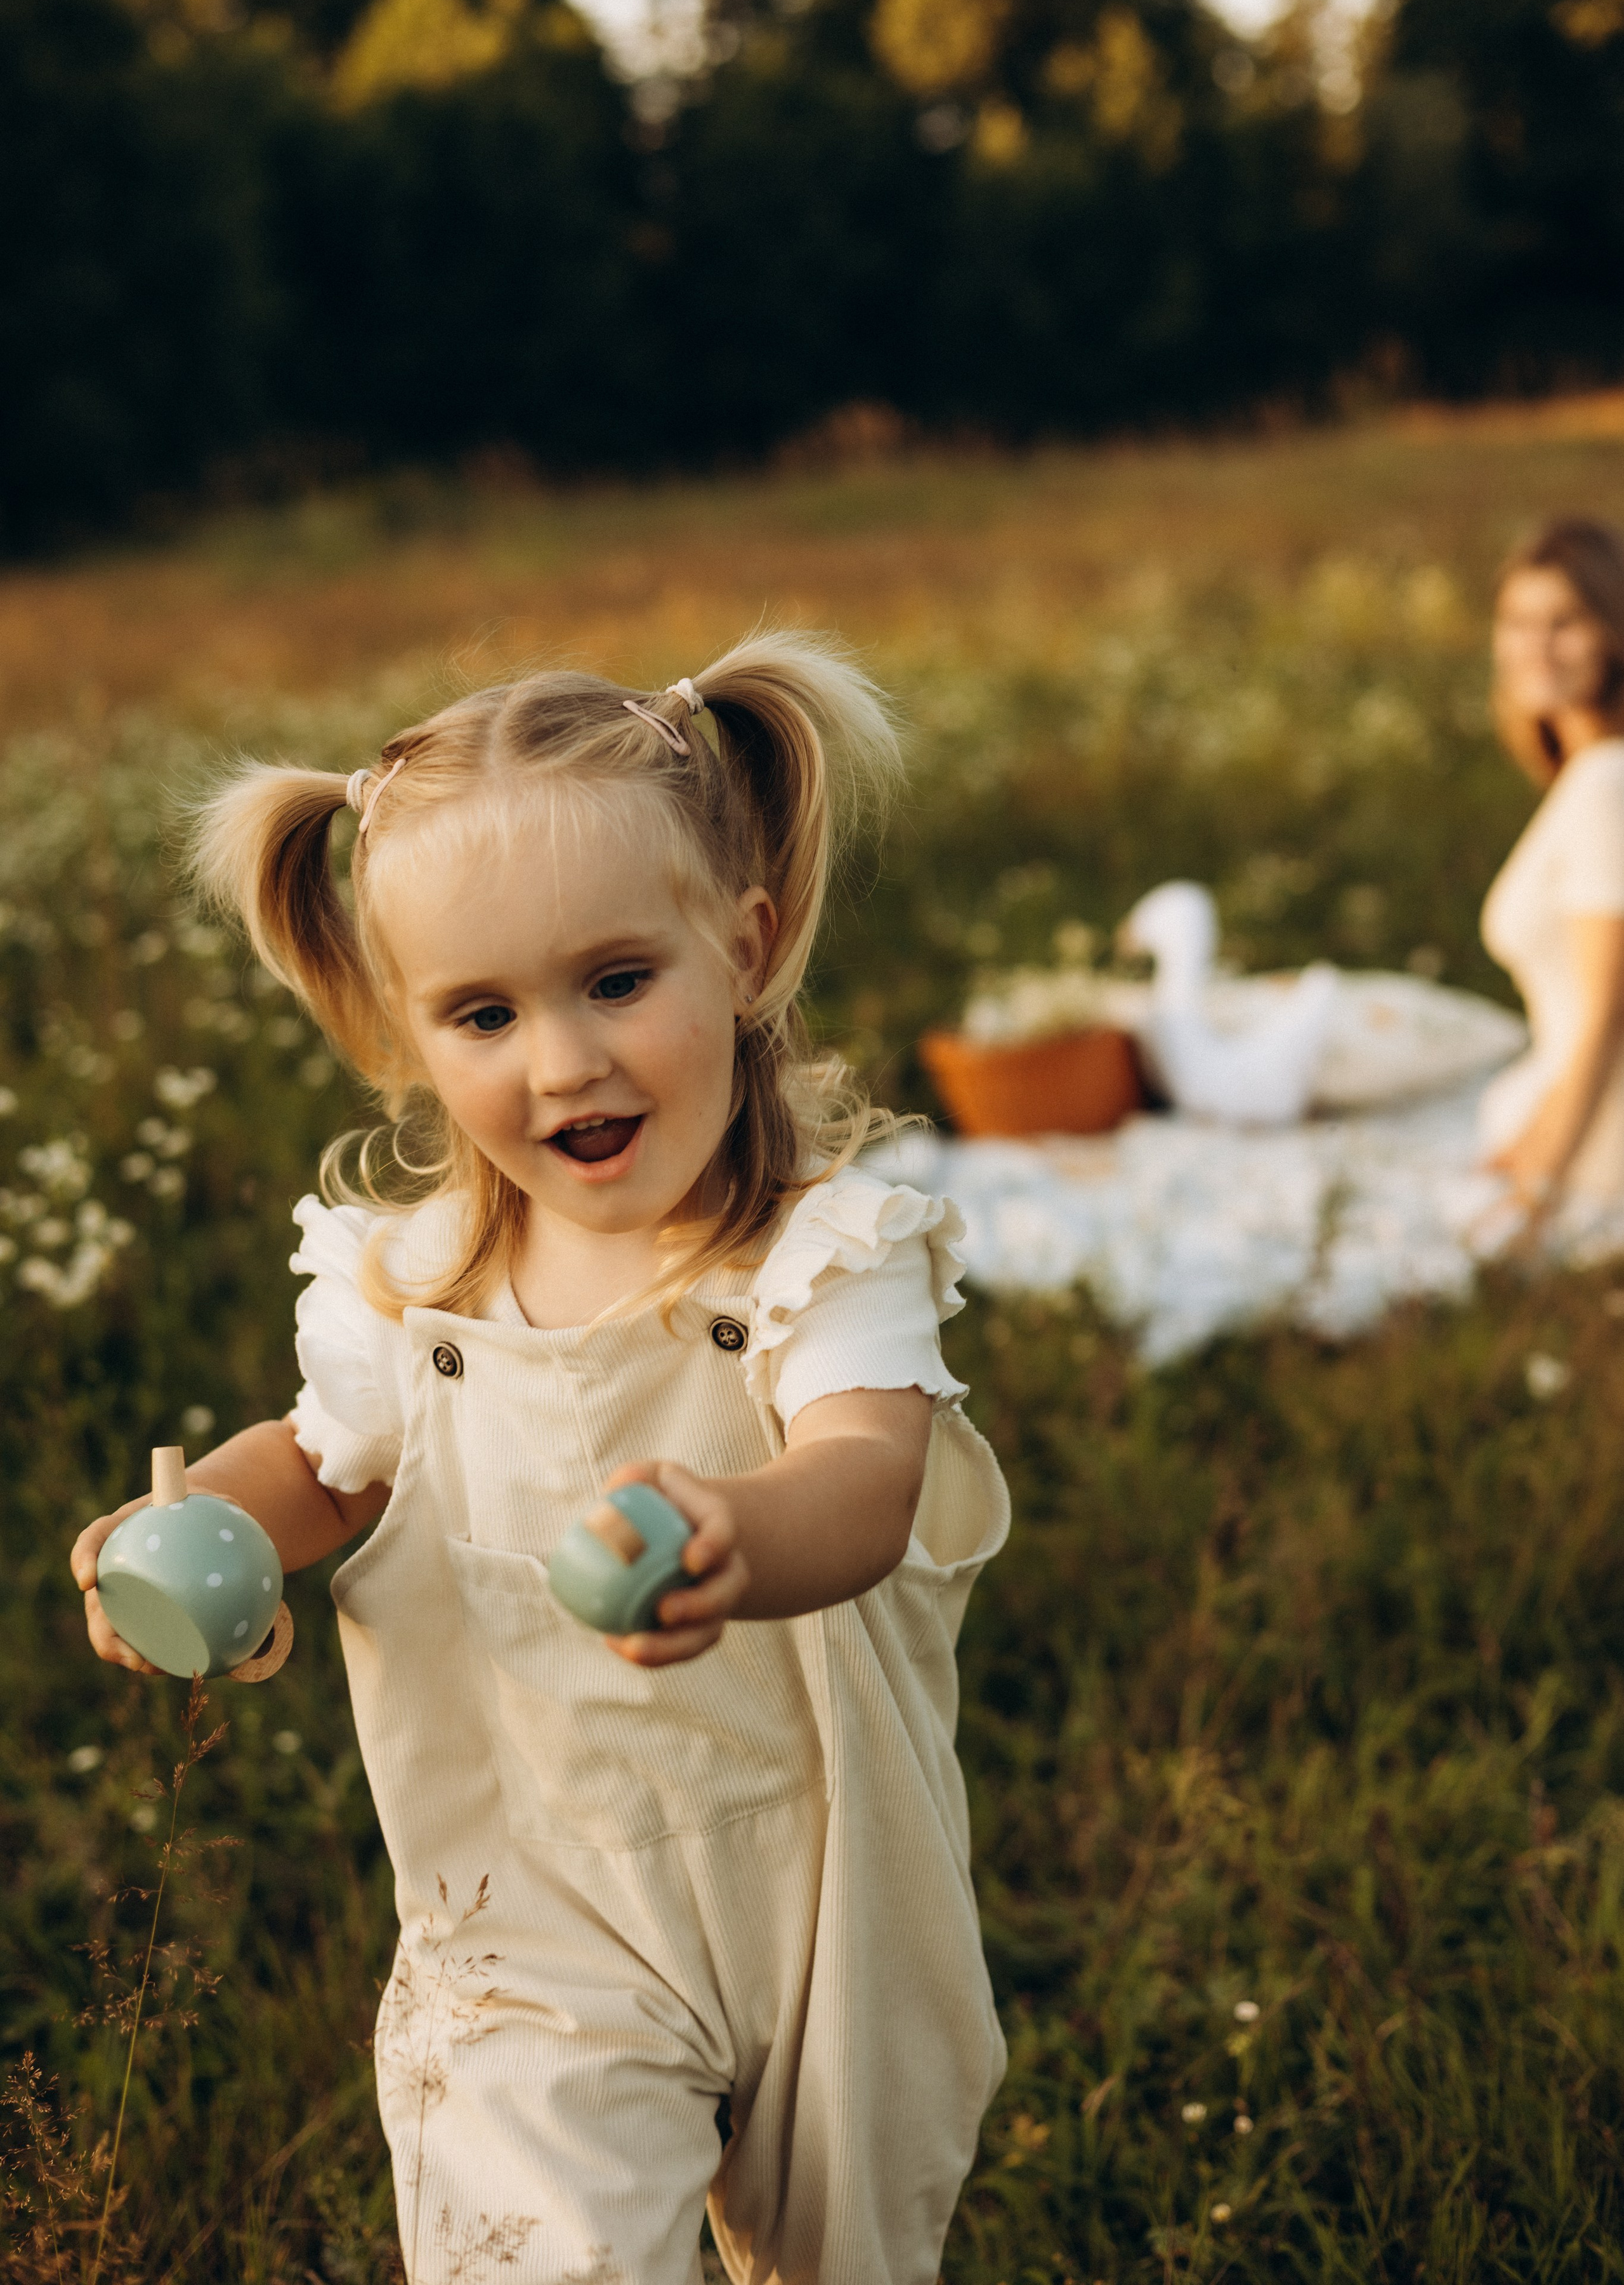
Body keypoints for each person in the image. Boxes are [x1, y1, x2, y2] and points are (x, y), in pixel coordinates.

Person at [70, 639, 1009, 2285]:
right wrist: (202, 1514)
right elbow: (329, 1464)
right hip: (533, 1908)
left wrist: (736, 1525)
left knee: (845, 2252)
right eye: (485, 1014)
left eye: (617, 982)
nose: (561, 1061)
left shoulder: (821, 1258)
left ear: (746, 943)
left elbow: (865, 1476)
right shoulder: (405, 1286)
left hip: (826, 1903)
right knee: (552, 2249)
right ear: (407, 1032)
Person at [1478, 518, 1624, 1242]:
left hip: (1603, 1146)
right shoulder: (1586, 776)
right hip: (1574, 1111)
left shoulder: (1605, 787)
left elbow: (1606, 1014)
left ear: (1613, 632)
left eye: (1563, 621)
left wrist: (1536, 1191)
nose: (1534, 646)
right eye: (1516, 622)